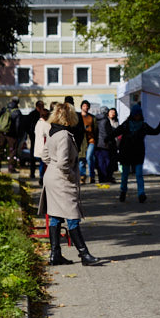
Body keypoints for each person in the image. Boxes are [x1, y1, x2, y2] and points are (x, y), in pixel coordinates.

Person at [36, 101, 101, 267]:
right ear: (69, 116)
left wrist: (53, 166)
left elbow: (44, 156)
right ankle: (84, 255)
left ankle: (55, 254)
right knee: (72, 215)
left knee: (55, 216)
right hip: (62, 180)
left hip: (51, 178)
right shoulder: (64, 135)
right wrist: (72, 175)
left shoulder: (53, 132)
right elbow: (63, 163)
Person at [114, 104, 160, 203]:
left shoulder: (143, 126)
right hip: (126, 152)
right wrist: (106, 139)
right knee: (125, 174)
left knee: (139, 174)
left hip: (138, 153)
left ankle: (141, 193)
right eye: (135, 114)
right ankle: (123, 191)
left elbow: (155, 131)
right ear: (132, 115)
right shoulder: (126, 125)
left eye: (138, 114)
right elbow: (115, 132)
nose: (137, 116)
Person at [0, 98, 22, 173]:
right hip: (12, 134)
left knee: (0, 149)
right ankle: (11, 168)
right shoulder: (17, 112)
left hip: (2, 133)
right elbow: (18, 125)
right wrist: (18, 135)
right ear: (17, 103)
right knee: (12, 151)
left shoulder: (4, 109)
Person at [94, 106, 119, 183]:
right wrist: (108, 141)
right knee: (107, 161)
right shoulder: (106, 120)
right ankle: (107, 177)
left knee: (100, 162)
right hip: (105, 144)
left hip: (97, 143)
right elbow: (107, 132)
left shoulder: (95, 119)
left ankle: (101, 178)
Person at [33, 101, 55, 184]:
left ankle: (41, 177)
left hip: (38, 147)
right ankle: (42, 178)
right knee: (44, 164)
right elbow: (49, 135)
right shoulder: (46, 124)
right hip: (44, 148)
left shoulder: (38, 123)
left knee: (41, 164)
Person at [79, 100, 97, 183]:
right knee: (81, 159)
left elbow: (95, 129)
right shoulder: (78, 117)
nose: (86, 107)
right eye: (84, 106)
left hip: (91, 140)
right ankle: (82, 176)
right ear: (81, 107)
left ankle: (91, 176)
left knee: (89, 157)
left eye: (87, 106)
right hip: (81, 141)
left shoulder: (92, 117)